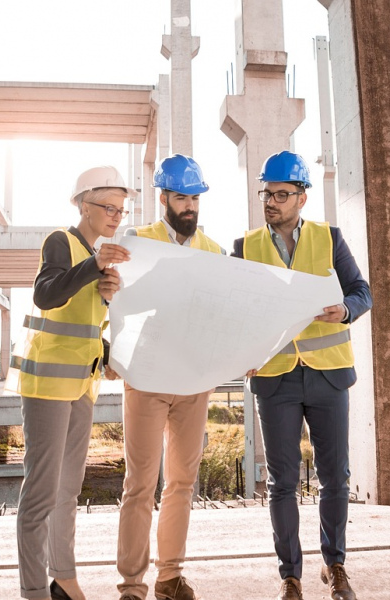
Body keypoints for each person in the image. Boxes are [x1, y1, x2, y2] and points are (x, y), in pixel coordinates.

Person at [231, 151, 372, 600]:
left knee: (335, 477)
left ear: (302, 198)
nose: (270, 201)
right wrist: (241, 352)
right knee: (283, 483)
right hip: (275, 379)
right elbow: (233, 311)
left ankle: (335, 566)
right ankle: (290, 576)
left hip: (328, 376)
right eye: (266, 193)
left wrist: (345, 310)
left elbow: (361, 292)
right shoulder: (245, 246)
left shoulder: (329, 239)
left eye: (281, 194)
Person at [6, 166, 134, 600]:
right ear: (84, 204)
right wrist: (93, 266)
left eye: (121, 209)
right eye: (108, 207)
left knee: (67, 490)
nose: (116, 215)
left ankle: (63, 577)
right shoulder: (61, 240)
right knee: (41, 492)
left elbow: (84, 324)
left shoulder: (96, 255)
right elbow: (46, 294)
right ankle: (33, 590)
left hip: (82, 385)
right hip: (46, 385)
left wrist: (105, 295)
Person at [115, 154, 223, 600]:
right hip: (147, 377)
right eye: (182, 197)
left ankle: (169, 576)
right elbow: (116, 301)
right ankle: (132, 585)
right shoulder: (137, 241)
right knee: (139, 483)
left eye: (195, 198)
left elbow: (223, 314)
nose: (190, 206)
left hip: (194, 381)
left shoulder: (214, 251)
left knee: (181, 483)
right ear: (163, 198)